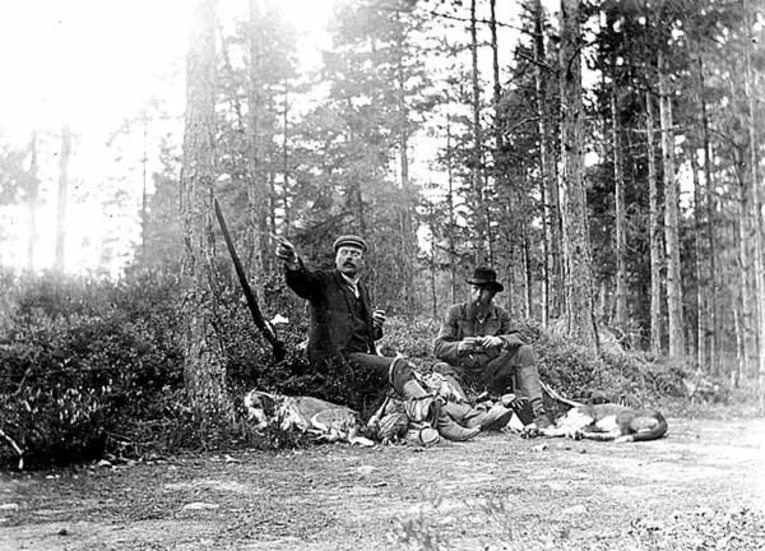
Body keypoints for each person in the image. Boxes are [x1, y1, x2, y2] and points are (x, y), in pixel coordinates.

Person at [275, 233, 479, 441]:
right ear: (336, 258)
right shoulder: (324, 282)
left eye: (355, 254)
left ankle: (465, 417)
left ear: (362, 261)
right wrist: (293, 263)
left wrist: (374, 327)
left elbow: (361, 333)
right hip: (332, 359)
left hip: (356, 358)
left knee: (404, 384)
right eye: (344, 253)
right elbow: (303, 282)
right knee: (397, 366)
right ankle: (443, 422)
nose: (349, 257)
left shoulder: (361, 289)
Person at [433, 267, 552, 429]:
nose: (478, 295)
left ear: (493, 294)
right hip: (462, 371)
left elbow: (520, 337)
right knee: (440, 367)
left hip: (491, 371)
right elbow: (439, 347)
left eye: (484, 291)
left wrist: (500, 340)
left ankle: (538, 412)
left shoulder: (501, 315)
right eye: (475, 289)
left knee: (524, 351)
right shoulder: (455, 312)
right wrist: (459, 346)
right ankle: (470, 414)